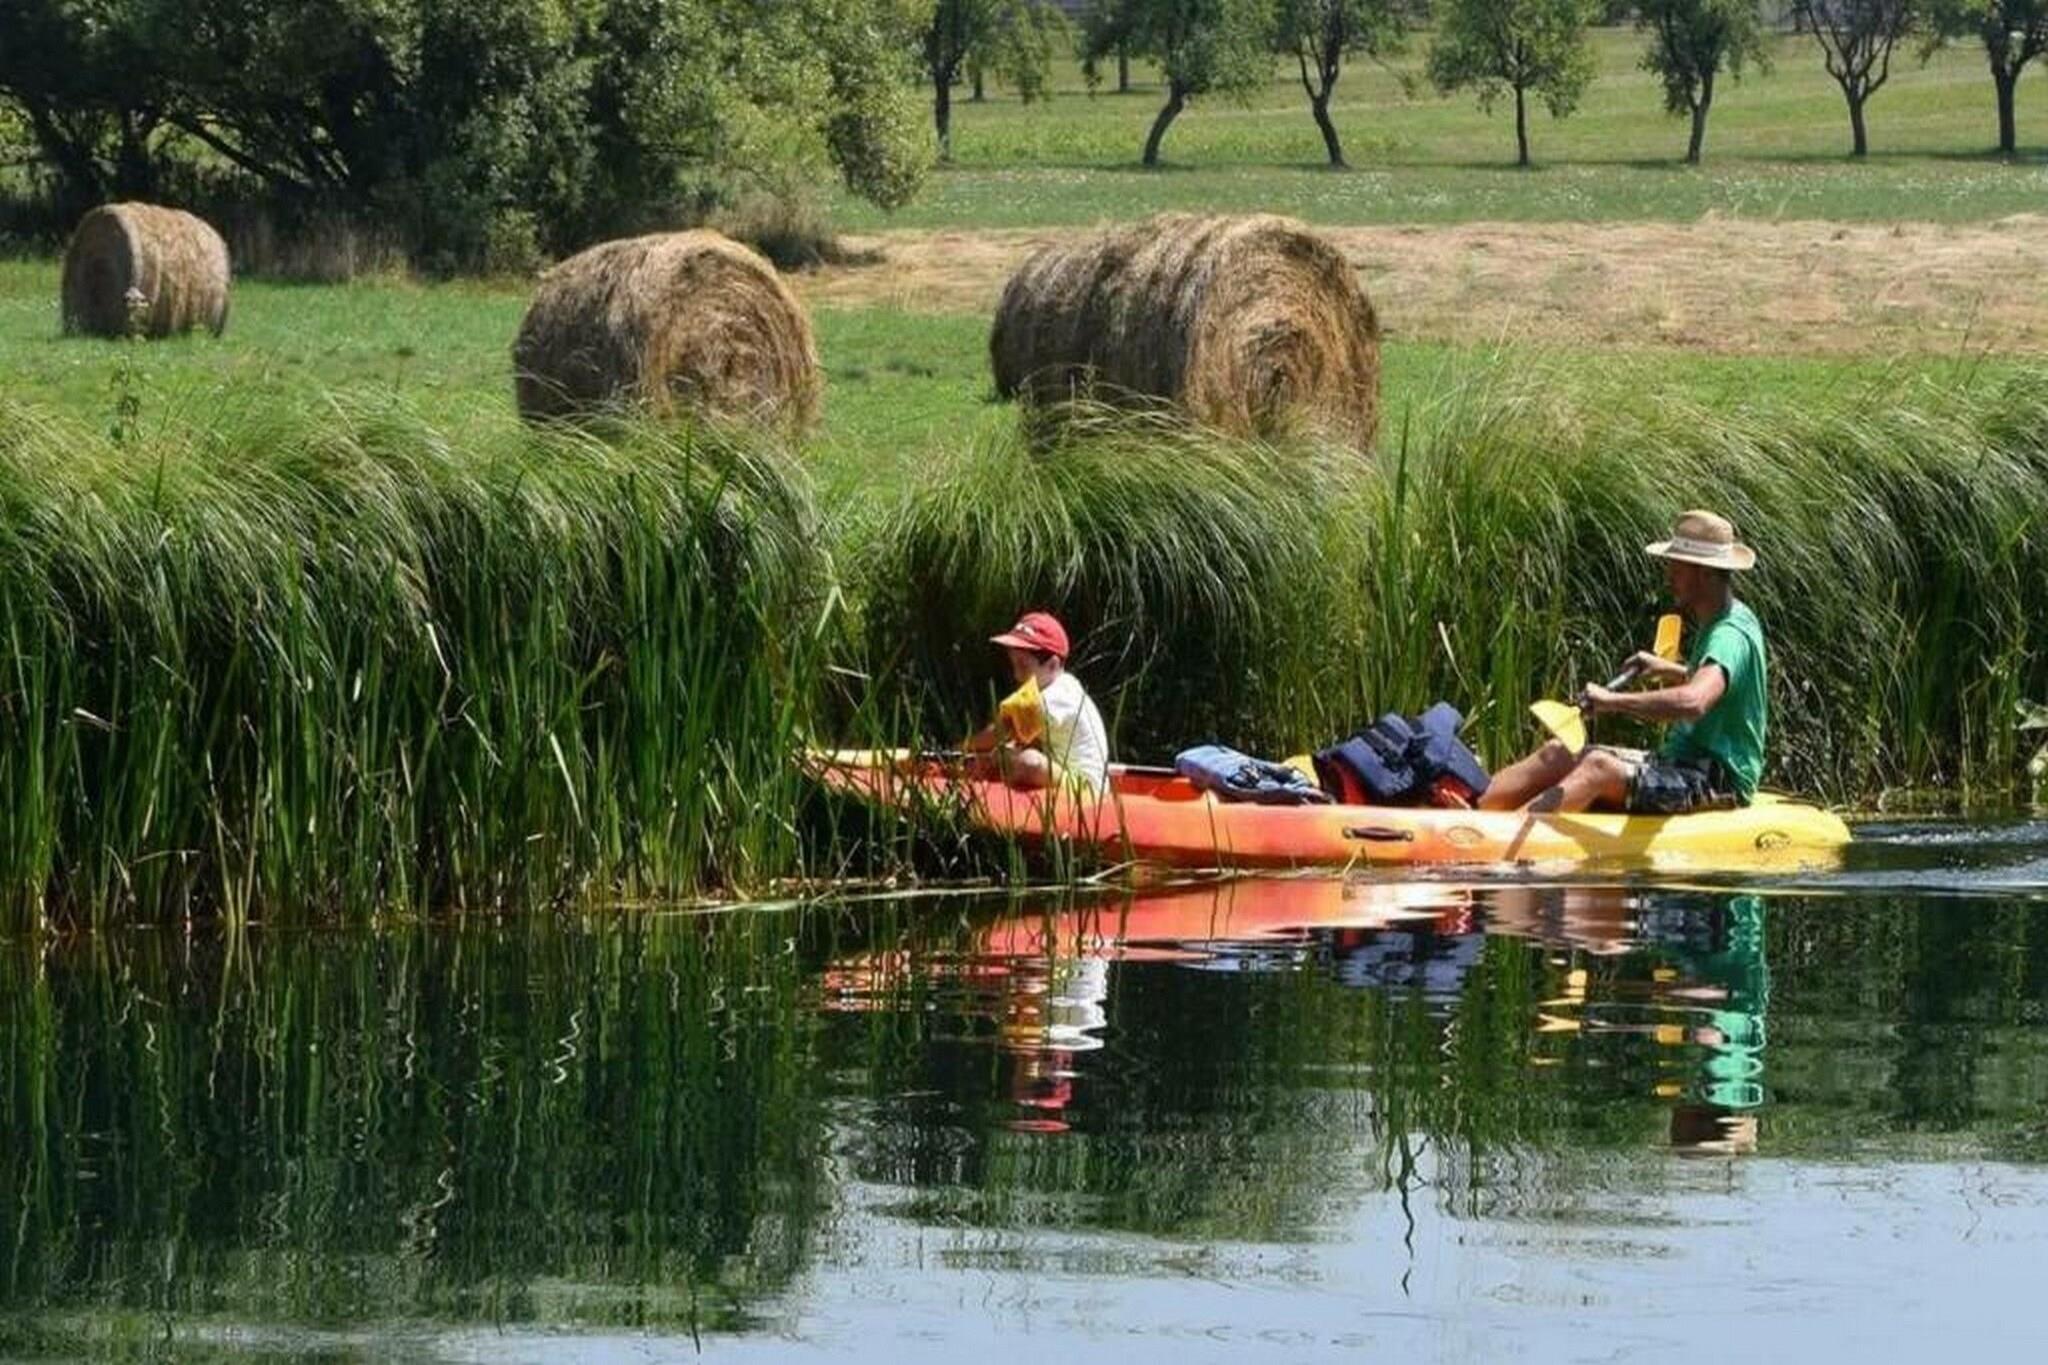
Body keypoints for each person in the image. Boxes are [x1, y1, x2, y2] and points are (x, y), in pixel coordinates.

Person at [1480, 510, 1767, 815]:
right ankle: (1470, 805)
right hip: (1680, 763)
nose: (1669, 576)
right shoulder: (1723, 618)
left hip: (1716, 780)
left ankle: (1498, 837)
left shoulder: (1729, 634)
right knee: (1557, 753)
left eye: (1677, 567)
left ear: (1706, 573)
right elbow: (1714, 682)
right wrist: (1668, 669)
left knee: (1598, 767)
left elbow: (1694, 701)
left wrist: (1611, 701)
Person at [963, 611, 1111, 794]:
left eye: (1023, 666)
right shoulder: (1055, 691)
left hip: (1082, 788)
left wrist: (963, 747)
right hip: (1060, 771)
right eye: (1014, 665)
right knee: (1013, 752)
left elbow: (1003, 730)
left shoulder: (1059, 694)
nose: (1017, 675)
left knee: (1030, 762)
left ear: (1052, 665)